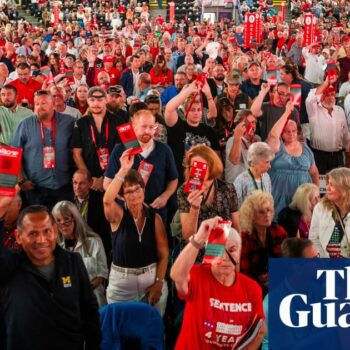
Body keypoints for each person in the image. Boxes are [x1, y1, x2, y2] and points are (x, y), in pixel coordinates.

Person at [0, 200, 101, 350]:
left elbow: (90, 311)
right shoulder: (9, 265)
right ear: (18, 236)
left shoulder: (73, 261)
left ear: (55, 231)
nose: (41, 240)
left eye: (47, 231)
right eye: (33, 233)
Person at [170, 217, 266, 349]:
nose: (225, 258)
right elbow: (176, 275)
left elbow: (259, 331)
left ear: (239, 253)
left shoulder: (252, 288)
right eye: (219, 250)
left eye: (232, 250)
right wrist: (198, 239)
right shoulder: (198, 275)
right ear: (210, 252)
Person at [103, 151, 169, 316]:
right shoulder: (118, 215)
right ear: (122, 196)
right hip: (122, 285)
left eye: (137, 189)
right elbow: (107, 200)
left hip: (151, 279)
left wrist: (159, 283)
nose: (134, 195)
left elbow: (164, 253)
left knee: (152, 332)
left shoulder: (154, 218)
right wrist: (122, 171)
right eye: (128, 192)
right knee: (120, 331)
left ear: (143, 189)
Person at [104, 109, 178, 223]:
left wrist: (165, 196)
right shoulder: (120, 150)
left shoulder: (164, 150)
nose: (148, 131)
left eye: (151, 127)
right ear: (133, 127)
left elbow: (173, 179)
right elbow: (107, 183)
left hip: (156, 212)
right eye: (144, 127)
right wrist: (127, 198)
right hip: (127, 213)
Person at [13, 90, 75, 209]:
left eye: (44, 103)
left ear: (53, 103)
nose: (40, 107)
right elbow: (16, 154)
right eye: (37, 104)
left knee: (62, 223)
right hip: (35, 188)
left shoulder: (69, 122)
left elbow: (77, 149)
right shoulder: (25, 125)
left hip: (64, 185)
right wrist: (21, 181)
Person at [177, 145, 240, 260]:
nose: (197, 171)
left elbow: (236, 227)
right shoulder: (184, 191)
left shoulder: (227, 188)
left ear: (212, 167)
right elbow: (188, 235)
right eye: (193, 167)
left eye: (202, 166)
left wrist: (236, 260)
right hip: (194, 254)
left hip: (221, 254)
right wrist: (194, 208)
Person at [267, 101, 319, 217]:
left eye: (294, 131)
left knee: (302, 226)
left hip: (304, 199)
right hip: (279, 195)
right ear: (282, 133)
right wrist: (286, 113)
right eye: (287, 131)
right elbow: (273, 136)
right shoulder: (276, 146)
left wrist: (317, 193)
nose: (291, 134)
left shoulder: (305, 148)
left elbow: (314, 172)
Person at [52, 200, 108, 307]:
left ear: (76, 220)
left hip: (93, 298)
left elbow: (102, 274)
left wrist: (84, 290)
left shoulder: (94, 241)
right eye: (58, 220)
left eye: (67, 219)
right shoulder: (55, 247)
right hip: (66, 302)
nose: (63, 224)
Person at [164, 80, 219, 184]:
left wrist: (208, 94)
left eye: (199, 110)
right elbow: (169, 109)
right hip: (181, 181)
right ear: (185, 112)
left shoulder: (209, 131)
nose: (196, 113)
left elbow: (216, 158)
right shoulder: (178, 126)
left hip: (205, 181)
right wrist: (188, 90)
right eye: (192, 110)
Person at [72, 86, 123, 192]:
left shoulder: (121, 121)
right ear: (87, 101)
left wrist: (106, 178)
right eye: (92, 100)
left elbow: (127, 151)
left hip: (114, 179)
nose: (96, 103)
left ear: (106, 100)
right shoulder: (80, 123)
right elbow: (76, 154)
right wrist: (89, 178)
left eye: (100, 99)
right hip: (90, 182)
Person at [240, 191, 288, 295]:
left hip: (279, 284)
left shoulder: (279, 231)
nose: (267, 215)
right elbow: (244, 272)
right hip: (252, 287)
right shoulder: (244, 236)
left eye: (269, 210)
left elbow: (288, 262)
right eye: (262, 212)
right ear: (251, 215)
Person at [305, 78, 350, 174]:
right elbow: (310, 99)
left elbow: (346, 135)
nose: (330, 98)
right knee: (322, 187)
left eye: (332, 95)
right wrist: (326, 83)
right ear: (321, 96)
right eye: (327, 95)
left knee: (338, 186)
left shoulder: (340, 111)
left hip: (337, 158)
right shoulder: (314, 109)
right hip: (319, 157)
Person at [309, 167, 350, 258]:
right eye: (327, 184)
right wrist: (324, 262)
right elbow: (314, 239)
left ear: (344, 188)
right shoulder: (320, 208)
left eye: (332, 185)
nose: (327, 188)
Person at [233, 142, 274, 207]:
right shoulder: (241, 180)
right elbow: (235, 207)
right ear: (254, 162)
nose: (269, 166)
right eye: (267, 162)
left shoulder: (266, 176)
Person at [225, 109, 260, 183]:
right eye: (247, 123)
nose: (252, 126)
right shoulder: (232, 140)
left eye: (253, 122)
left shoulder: (257, 139)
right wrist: (238, 137)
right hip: (234, 185)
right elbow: (234, 161)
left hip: (251, 183)